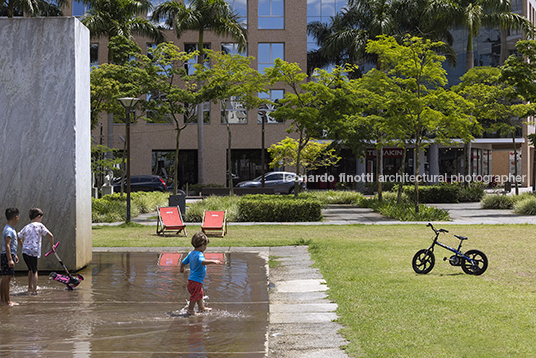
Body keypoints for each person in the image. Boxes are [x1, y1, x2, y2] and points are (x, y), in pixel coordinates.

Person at [180, 232, 222, 315]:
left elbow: (183, 262)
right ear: (202, 245)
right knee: (195, 295)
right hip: (196, 281)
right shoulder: (199, 254)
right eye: (206, 245)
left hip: (192, 280)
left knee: (200, 293)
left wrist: (181, 268)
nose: (206, 247)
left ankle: (201, 307)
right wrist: (213, 261)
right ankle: (190, 310)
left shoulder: (191, 253)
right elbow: (202, 262)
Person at [17, 208, 54, 295]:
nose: (41, 220)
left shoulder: (27, 226)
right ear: (38, 217)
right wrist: (52, 246)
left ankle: (29, 287)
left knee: (30, 269)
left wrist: (22, 245)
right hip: (33, 251)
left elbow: (18, 236)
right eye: (41, 218)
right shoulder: (40, 225)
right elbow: (51, 235)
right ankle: (34, 290)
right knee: (35, 271)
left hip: (25, 251)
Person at [1, 207, 21, 306]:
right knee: (6, 278)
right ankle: (7, 301)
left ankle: (2, 300)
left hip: (9, 255)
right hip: (6, 256)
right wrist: (9, 259)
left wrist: (15, 255)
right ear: (16, 217)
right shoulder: (9, 230)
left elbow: (11, 245)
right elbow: (7, 245)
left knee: (6, 278)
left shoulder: (9, 228)